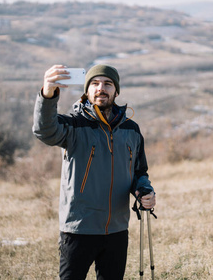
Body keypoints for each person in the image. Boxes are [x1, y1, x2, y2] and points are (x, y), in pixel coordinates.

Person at [32, 64, 156, 280]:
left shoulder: (131, 129)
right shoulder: (73, 125)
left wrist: (144, 190)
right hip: (79, 229)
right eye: (95, 83)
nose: (101, 88)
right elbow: (45, 131)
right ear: (86, 91)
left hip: (117, 230)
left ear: (116, 91)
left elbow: (139, 171)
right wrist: (48, 93)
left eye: (108, 83)